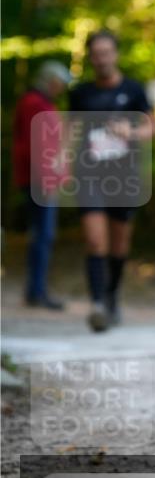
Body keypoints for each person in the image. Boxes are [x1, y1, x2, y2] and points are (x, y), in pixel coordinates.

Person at [69, 30, 155, 332]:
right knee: (95, 241)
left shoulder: (133, 90)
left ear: (115, 54)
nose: (102, 58)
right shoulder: (80, 93)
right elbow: (72, 131)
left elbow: (150, 128)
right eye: (97, 53)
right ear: (91, 57)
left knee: (119, 245)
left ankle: (111, 296)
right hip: (90, 174)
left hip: (124, 176)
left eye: (107, 52)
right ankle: (97, 305)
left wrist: (129, 133)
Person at [12, 61, 71, 310]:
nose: (61, 89)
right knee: (43, 236)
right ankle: (37, 292)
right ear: (51, 81)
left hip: (41, 178)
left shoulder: (41, 103)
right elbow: (36, 146)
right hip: (40, 181)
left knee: (43, 235)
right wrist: (47, 179)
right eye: (60, 84)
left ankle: (36, 290)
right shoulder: (34, 104)